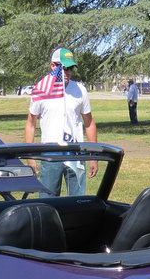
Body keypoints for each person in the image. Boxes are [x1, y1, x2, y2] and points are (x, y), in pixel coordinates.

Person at [24, 47, 98, 196]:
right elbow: (30, 124)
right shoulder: (41, 90)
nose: (68, 72)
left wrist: (93, 156)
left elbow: (89, 123)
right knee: (47, 201)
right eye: (64, 67)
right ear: (53, 66)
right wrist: (30, 157)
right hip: (50, 152)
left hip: (76, 151)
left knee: (77, 203)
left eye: (70, 68)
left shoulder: (80, 89)